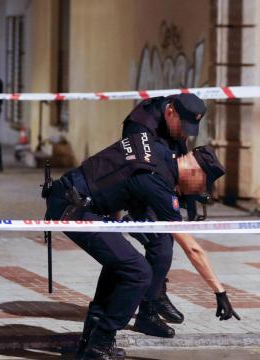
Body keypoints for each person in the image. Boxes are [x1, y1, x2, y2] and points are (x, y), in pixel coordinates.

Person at [44, 133, 238, 360]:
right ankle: (100, 344)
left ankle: (89, 344)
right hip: (74, 208)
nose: (197, 192)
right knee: (139, 273)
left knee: (121, 264)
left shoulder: (158, 150)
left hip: (74, 198)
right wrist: (219, 291)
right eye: (202, 186)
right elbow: (192, 248)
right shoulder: (159, 182)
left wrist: (113, 225)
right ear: (195, 171)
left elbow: (111, 175)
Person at [121, 93, 206, 336]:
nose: (185, 132)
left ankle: (157, 294)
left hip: (161, 186)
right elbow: (139, 173)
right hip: (139, 188)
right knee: (161, 244)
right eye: (183, 126)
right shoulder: (139, 125)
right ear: (170, 112)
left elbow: (181, 150)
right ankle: (148, 311)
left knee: (163, 246)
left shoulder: (178, 114)